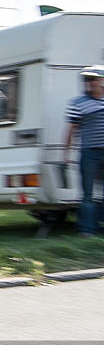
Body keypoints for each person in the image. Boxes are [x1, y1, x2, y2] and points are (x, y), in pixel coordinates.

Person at [64, 65, 104, 237]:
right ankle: (87, 230)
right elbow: (71, 129)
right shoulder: (77, 103)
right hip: (89, 153)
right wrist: (66, 152)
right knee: (87, 193)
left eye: (93, 79)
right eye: (87, 79)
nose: (90, 82)